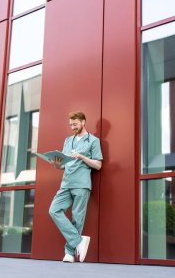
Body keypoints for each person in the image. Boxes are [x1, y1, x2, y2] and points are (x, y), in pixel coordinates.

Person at [49, 111, 103, 263]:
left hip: (81, 184)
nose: (72, 127)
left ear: (83, 122)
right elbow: (63, 165)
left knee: (77, 218)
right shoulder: (68, 140)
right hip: (66, 183)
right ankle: (78, 241)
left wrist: (82, 157)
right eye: (71, 124)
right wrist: (57, 165)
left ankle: (69, 254)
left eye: (75, 124)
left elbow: (98, 165)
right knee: (54, 210)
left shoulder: (93, 141)